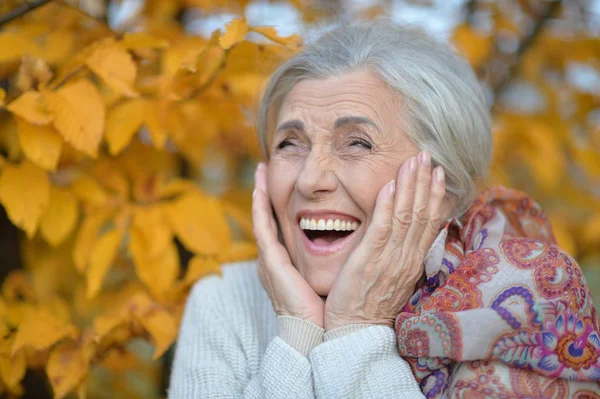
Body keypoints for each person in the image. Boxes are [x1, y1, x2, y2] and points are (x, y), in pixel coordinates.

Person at [168, 17, 600, 398]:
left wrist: (356, 329)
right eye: (289, 144)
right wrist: (296, 332)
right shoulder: (227, 298)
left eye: (357, 143)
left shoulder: (522, 299)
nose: (309, 179)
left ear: (442, 180)